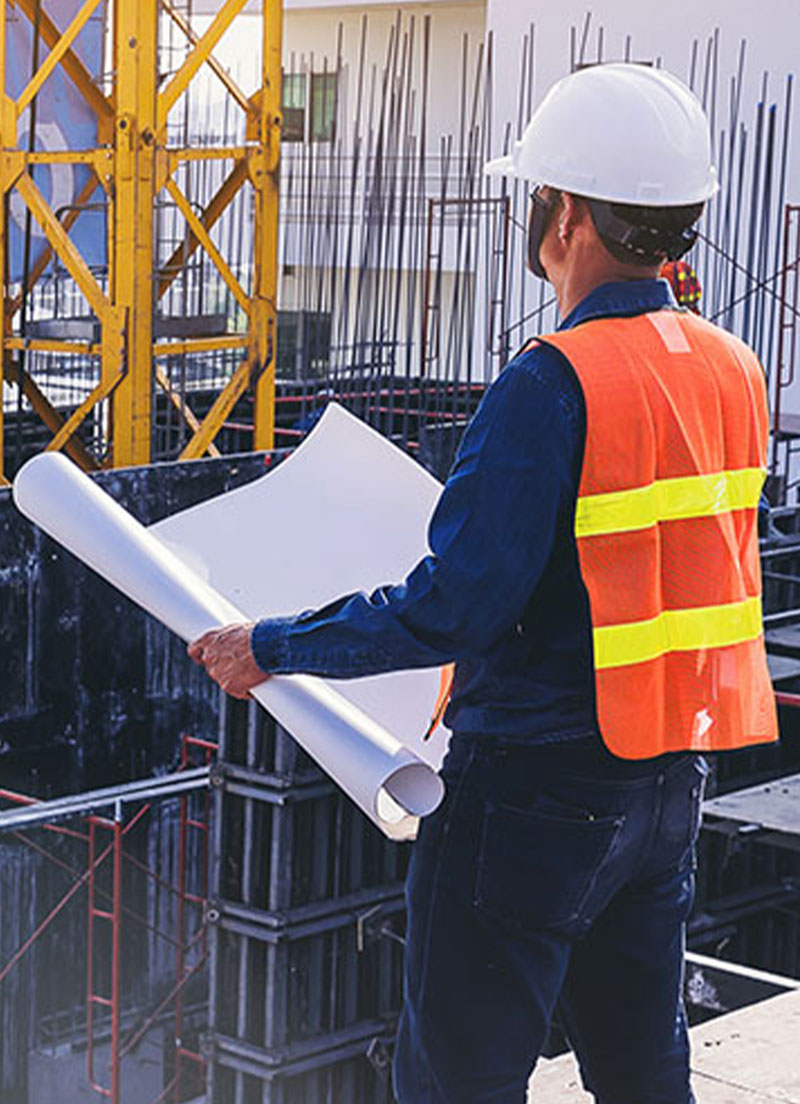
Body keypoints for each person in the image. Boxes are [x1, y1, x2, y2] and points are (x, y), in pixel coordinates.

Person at [189, 63, 777, 1104]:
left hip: (531, 800)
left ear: (566, 217)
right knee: (645, 1076)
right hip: (663, 784)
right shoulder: (729, 366)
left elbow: (454, 605)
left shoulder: (549, 382)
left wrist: (270, 644)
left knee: (458, 1083)